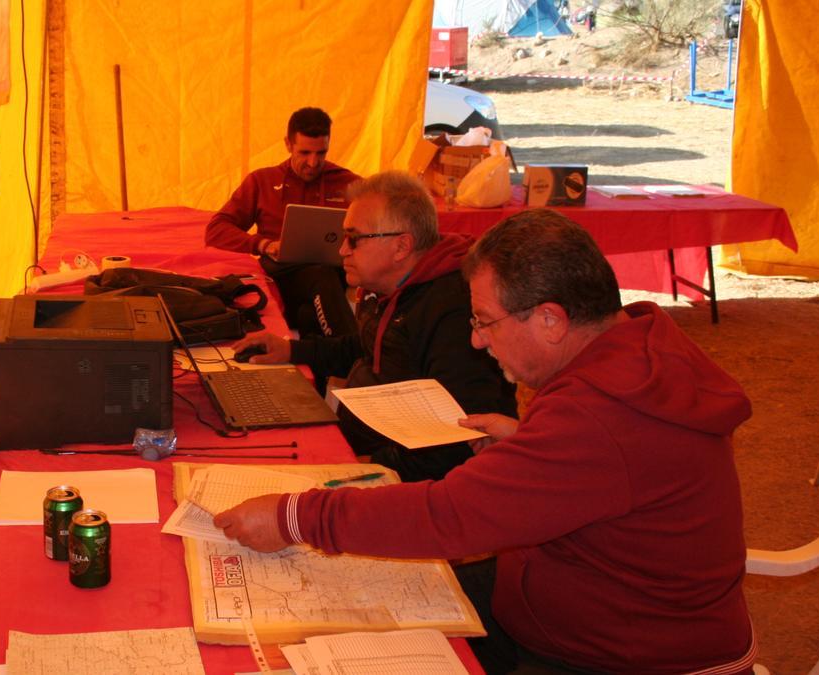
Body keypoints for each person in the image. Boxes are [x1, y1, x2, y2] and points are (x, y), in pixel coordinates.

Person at [214, 209, 757, 674]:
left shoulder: (597, 416)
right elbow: (621, 468)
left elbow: (449, 516)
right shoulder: (632, 347)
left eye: (485, 321)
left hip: (622, 658)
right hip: (582, 609)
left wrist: (295, 518)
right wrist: (532, 447)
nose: (475, 339)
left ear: (550, 319)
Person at [231, 171, 514, 481]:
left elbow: (460, 435)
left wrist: (368, 464)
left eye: (354, 239)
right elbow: (367, 345)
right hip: (376, 446)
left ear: (401, 246)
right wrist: (291, 349)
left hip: (414, 480)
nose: (342, 251)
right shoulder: (392, 287)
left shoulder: (454, 311)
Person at [205, 107, 360, 339]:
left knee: (310, 312)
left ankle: (326, 367)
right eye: (304, 152)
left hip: (330, 280)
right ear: (288, 144)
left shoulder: (350, 184)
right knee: (321, 276)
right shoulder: (262, 181)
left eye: (321, 153)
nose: (313, 162)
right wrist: (264, 245)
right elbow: (216, 229)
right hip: (283, 277)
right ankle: (355, 353)